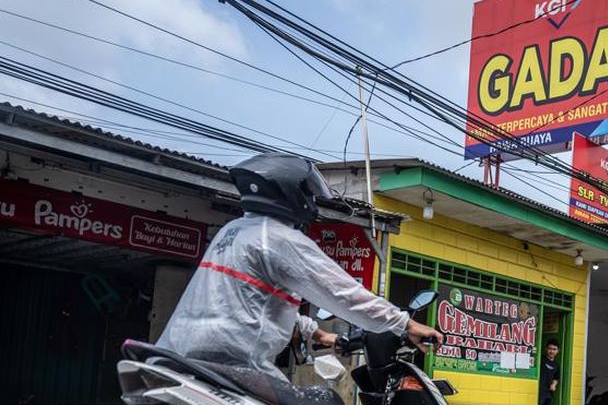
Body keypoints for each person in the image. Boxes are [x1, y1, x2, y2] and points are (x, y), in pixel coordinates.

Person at [157, 153, 443, 390]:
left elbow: (250, 305)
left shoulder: (232, 232)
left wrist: (319, 335)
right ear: (290, 193)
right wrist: (406, 324)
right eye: (308, 193)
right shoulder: (280, 239)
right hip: (232, 367)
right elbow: (344, 295)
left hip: (176, 357)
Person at [537, 340, 561, 405]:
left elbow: (556, 378)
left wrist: (554, 384)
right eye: (550, 349)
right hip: (539, 391)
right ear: (546, 349)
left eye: (554, 349)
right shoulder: (541, 359)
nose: (551, 351)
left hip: (549, 393)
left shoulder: (556, 365)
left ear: (558, 351)